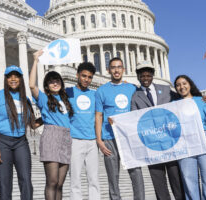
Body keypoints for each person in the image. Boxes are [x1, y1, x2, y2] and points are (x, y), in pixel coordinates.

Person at [131, 61, 185, 200]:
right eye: (142, 76)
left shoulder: (166, 89)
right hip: (152, 146)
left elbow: (185, 99)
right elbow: (133, 118)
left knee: (176, 180)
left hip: (170, 143)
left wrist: (200, 99)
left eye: (148, 75)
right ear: (138, 77)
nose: (146, 79)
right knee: (159, 184)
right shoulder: (135, 96)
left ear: (153, 76)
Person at [0, 65, 40, 200]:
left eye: (16, 76)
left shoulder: (25, 99)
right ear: (6, 79)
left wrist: (48, 116)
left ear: (21, 79)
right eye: (10, 76)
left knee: (26, 180)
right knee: (5, 183)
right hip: (2, 142)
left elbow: (32, 125)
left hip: (21, 142)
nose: (13, 79)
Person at [95, 57, 145, 200]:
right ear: (108, 70)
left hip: (129, 137)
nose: (116, 70)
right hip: (109, 138)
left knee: (136, 173)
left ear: (124, 69)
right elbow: (98, 116)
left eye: (119, 67)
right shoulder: (101, 91)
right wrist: (99, 140)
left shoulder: (133, 88)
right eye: (113, 67)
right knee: (113, 177)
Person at [30, 50, 73, 200]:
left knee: (60, 183)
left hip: (66, 137)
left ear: (61, 84)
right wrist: (35, 60)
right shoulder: (43, 99)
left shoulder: (66, 100)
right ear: (47, 86)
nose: (55, 83)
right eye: (51, 81)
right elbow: (31, 85)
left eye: (57, 81)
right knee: (52, 181)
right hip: (51, 136)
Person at [174, 75, 206, 200]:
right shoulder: (173, 105)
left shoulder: (202, 101)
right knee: (189, 180)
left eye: (184, 83)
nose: (182, 87)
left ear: (190, 84)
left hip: (203, 139)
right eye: (178, 85)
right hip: (184, 142)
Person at [66, 62, 100, 200]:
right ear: (77, 75)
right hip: (75, 140)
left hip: (92, 141)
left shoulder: (95, 94)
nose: (86, 79)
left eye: (90, 77)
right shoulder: (68, 92)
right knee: (75, 180)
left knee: (94, 180)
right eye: (84, 76)